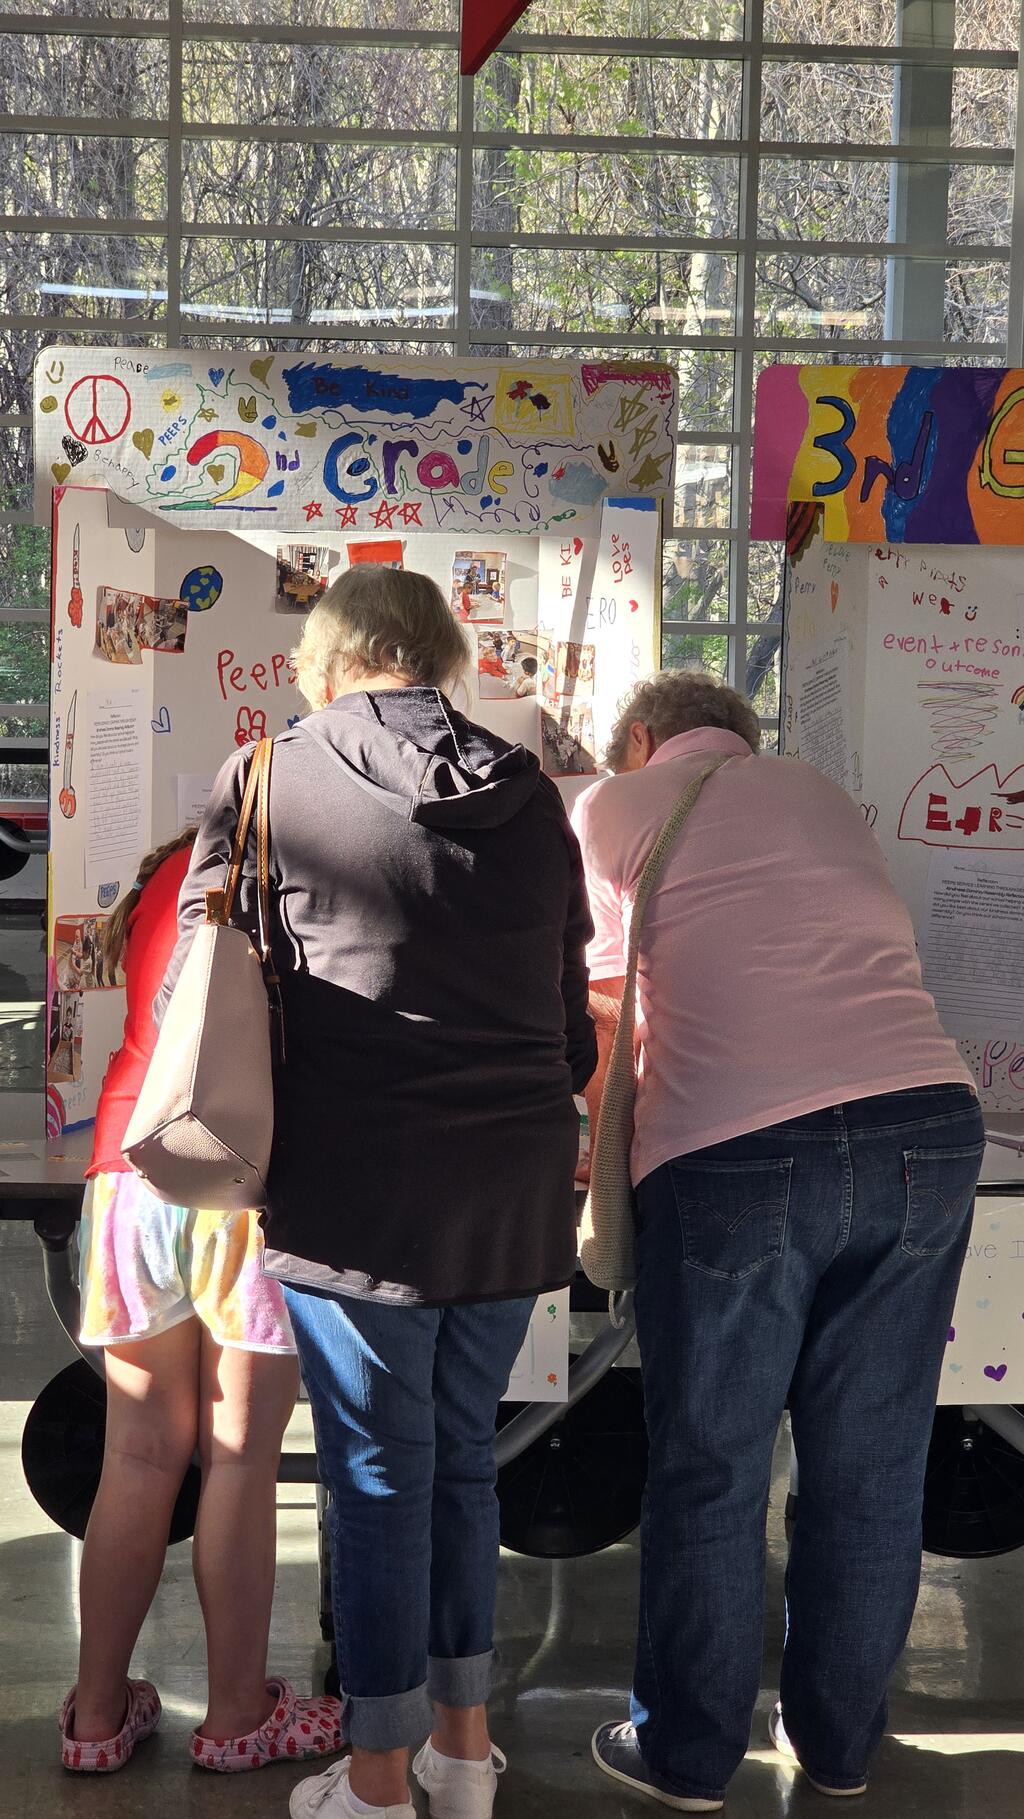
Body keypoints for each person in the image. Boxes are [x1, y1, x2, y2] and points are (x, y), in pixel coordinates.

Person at [160, 566, 596, 1819]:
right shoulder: (532, 797)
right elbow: (570, 1025)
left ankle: (378, 1776)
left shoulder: (269, 777)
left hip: (357, 1190)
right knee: (463, 1464)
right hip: (511, 1187)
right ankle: (462, 1749)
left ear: (329, 658)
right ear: (444, 654)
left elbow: (201, 975)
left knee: (376, 1477)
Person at [574, 671, 985, 1813]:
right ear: (742, 738)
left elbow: (602, 1005)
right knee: (871, 1464)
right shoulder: (819, 791)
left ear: (642, 738)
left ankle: (687, 1755)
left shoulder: (612, 806)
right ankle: (838, 1745)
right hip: (925, 1126)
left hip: (736, 1150)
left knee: (712, 1466)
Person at [61, 829, 342, 1776]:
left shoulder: (168, 878)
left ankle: (97, 1717)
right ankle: (236, 1716)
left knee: (137, 1453)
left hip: (128, 1171)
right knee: (239, 1458)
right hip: (242, 1182)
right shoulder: (302, 876)